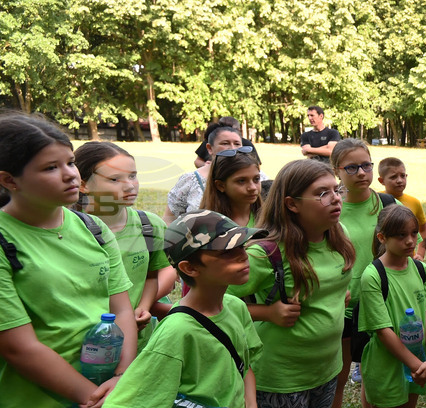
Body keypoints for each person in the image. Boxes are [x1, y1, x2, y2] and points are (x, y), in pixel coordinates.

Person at [0, 113, 138, 408]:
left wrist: (124, 376)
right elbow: (18, 347)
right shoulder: (4, 239)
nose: (71, 175)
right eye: (51, 167)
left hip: (112, 389)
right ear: (9, 180)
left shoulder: (94, 228)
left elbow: (121, 309)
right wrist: (97, 398)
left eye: (71, 162)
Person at [226, 159, 356, 408]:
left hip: (327, 368)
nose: (336, 198)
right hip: (281, 377)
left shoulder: (339, 234)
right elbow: (213, 299)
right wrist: (267, 312)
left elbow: (330, 281)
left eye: (336, 190)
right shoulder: (266, 253)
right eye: (321, 193)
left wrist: (337, 292)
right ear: (292, 204)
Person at [104, 210, 265, 408]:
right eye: (227, 252)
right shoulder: (177, 331)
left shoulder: (236, 306)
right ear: (190, 268)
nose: (243, 256)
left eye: (242, 246)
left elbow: (244, 367)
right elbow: (128, 401)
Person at [74, 141, 177, 348]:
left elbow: (152, 274)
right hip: (85, 343)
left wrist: (144, 307)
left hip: (141, 342)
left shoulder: (149, 225)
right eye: (114, 179)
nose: (130, 185)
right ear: (83, 184)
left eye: (133, 175)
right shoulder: (71, 229)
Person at [331, 138, 401, 406]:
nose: (361, 173)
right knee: (338, 376)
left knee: (375, 374)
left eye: (365, 165)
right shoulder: (331, 206)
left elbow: (407, 246)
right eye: (351, 168)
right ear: (337, 170)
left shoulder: (387, 202)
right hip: (344, 305)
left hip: (381, 302)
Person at [357, 205, 426, 408]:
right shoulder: (373, 276)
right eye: (401, 235)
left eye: (413, 232)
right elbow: (383, 331)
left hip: (418, 361)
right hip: (387, 365)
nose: (411, 241)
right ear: (382, 238)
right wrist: (416, 365)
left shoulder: (422, 270)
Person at [165, 123, 244, 223]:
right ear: (209, 148)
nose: (233, 148)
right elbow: (170, 218)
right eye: (225, 143)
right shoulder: (190, 180)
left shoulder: (257, 178)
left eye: (237, 144)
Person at [377, 157, 426, 260]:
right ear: (381, 180)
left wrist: (420, 253)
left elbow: (423, 229)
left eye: (403, 176)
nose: (399, 181)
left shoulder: (414, 202)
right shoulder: (377, 201)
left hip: (407, 260)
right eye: (393, 177)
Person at [200, 146, 262, 228]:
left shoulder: (269, 219)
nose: (253, 187)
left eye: (256, 179)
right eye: (241, 181)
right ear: (220, 185)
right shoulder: (208, 226)